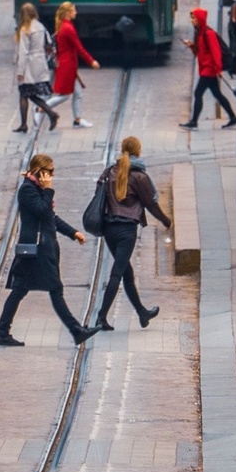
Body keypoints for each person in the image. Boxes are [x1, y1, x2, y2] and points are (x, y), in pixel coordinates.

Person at [0, 154, 97, 347]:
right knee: (53, 289)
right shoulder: (27, 190)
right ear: (39, 171)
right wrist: (48, 190)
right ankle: (76, 330)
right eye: (49, 172)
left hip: (41, 248)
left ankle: (1, 333)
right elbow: (42, 210)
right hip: (37, 250)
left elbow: (51, 218)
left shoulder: (36, 189)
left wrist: (73, 233)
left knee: (20, 290)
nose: (52, 175)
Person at [92, 137, 171, 331]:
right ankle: (101, 316)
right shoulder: (139, 177)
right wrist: (164, 220)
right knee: (117, 273)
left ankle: (142, 313)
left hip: (109, 229)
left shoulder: (109, 171)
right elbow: (150, 203)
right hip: (127, 230)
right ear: (139, 151)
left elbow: (98, 195)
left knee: (127, 273)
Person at [179, 8, 236, 129]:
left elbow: (216, 52)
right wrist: (191, 46)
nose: (191, 21)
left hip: (209, 70)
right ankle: (233, 117)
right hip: (206, 69)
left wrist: (218, 69)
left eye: (194, 18)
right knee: (217, 94)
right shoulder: (200, 33)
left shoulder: (208, 34)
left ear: (199, 19)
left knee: (198, 93)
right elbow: (200, 52)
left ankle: (194, 121)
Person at [46, 3, 99, 128]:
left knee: (78, 93)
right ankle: (42, 108)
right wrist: (91, 61)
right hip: (67, 65)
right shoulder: (68, 28)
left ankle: (77, 120)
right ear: (67, 13)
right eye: (74, 10)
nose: (76, 12)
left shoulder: (63, 26)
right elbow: (79, 47)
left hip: (68, 64)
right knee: (64, 96)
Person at [14, 3, 60, 132]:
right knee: (30, 94)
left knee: (24, 94)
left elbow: (23, 52)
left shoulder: (25, 29)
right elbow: (49, 44)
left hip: (29, 66)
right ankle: (49, 114)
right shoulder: (41, 27)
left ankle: (27, 123)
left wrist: (20, 71)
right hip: (40, 64)